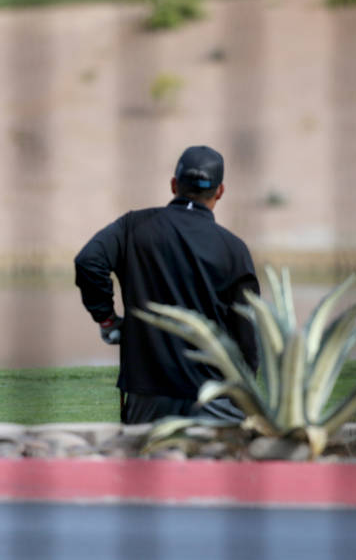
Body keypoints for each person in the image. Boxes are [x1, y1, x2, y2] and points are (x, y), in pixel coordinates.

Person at [74, 145, 260, 424]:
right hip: (214, 400)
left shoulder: (133, 227)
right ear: (220, 191)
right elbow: (247, 339)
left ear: (174, 184)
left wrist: (107, 319)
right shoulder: (234, 249)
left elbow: (89, 260)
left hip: (147, 400)